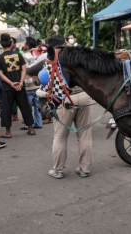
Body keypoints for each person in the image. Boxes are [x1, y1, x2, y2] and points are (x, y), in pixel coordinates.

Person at [40, 34, 94, 179]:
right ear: (64, 43)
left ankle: (58, 170)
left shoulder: (49, 60)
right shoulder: (76, 56)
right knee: (84, 134)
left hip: (63, 101)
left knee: (60, 137)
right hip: (83, 96)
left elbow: (42, 83)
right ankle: (85, 169)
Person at [0, 33, 35, 138]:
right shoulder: (18, 55)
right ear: (11, 43)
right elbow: (24, 69)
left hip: (8, 87)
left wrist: (11, 83)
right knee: (25, 106)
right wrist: (20, 82)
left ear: (1, 44)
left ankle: (8, 132)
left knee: (7, 109)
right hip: (20, 86)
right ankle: (30, 128)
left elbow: (0, 73)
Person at [22, 37, 42, 129]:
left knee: (27, 107)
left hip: (28, 84)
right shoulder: (39, 55)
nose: (24, 45)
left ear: (28, 45)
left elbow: (25, 69)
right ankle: (38, 123)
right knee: (37, 106)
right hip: (38, 84)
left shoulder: (24, 56)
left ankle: (28, 124)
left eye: (25, 44)